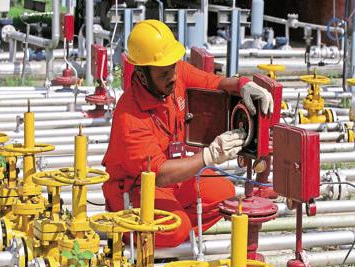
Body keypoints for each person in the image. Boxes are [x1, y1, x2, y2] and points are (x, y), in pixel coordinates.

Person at [102, 20, 274, 247]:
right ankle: (133, 230)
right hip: (135, 189)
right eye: (164, 73)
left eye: (173, 67)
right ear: (142, 75)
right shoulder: (129, 116)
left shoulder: (174, 72)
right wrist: (208, 156)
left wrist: (241, 84)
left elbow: (212, 82)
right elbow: (159, 174)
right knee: (176, 229)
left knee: (225, 194)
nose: (173, 77)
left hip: (174, 179)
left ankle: (170, 227)